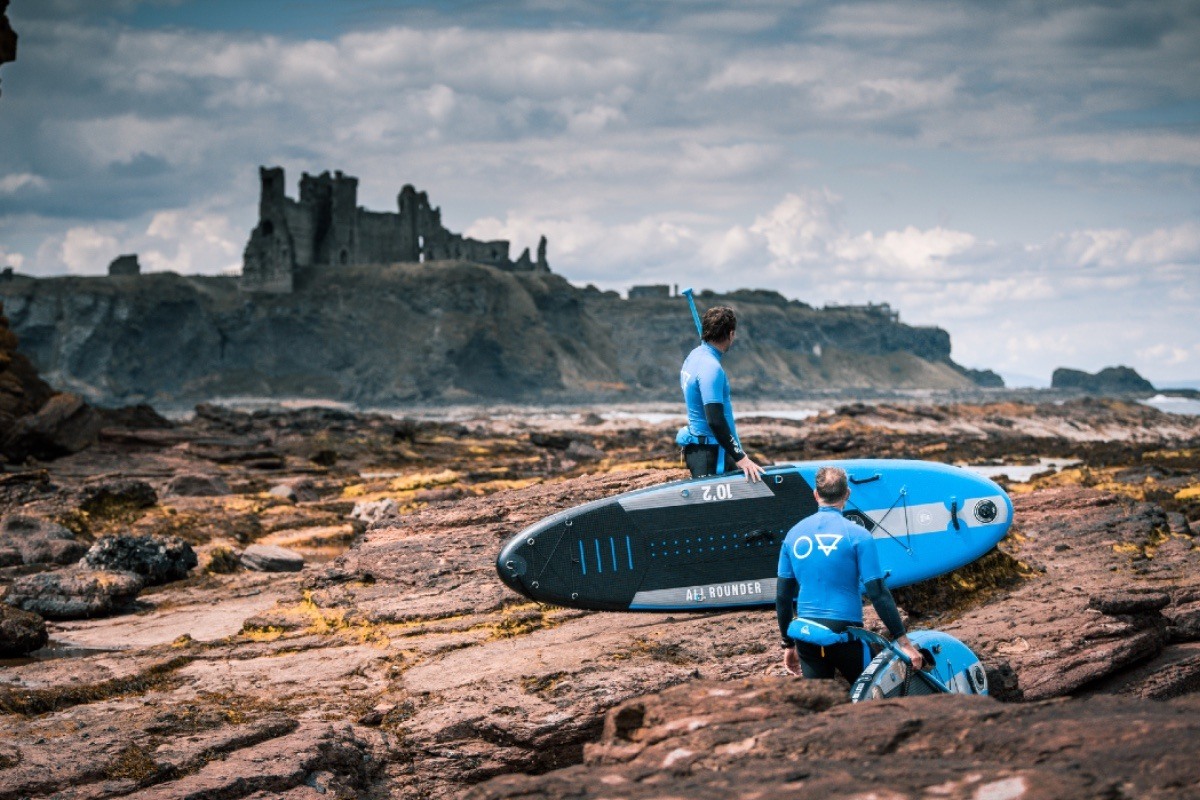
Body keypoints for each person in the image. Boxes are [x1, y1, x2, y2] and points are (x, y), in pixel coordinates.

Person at [776, 465, 923, 680]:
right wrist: (904, 643)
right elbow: (878, 592)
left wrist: (788, 644)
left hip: (806, 635)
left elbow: (782, 596)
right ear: (847, 493)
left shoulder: (793, 535)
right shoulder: (858, 535)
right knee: (868, 701)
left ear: (816, 495)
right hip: (844, 635)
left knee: (822, 702)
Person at [677, 306, 764, 482]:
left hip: (703, 449)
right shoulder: (711, 368)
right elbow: (715, 421)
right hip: (711, 455)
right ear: (731, 334)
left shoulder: (693, 356)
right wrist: (741, 458)